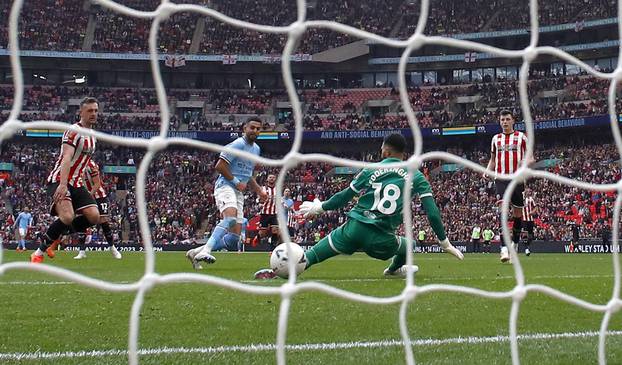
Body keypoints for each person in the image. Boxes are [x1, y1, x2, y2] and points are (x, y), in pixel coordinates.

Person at [257, 133, 463, 279]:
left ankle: (281, 271)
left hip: (352, 229)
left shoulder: (370, 169)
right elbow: (432, 212)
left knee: (310, 257)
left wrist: (320, 208)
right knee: (410, 245)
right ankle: (393, 270)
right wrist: (444, 243)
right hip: (381, 240)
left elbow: (345, 196)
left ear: (386, 149)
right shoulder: (416, 175)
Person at [186, 117, 267, 268]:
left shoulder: (256, 149)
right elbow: (219, 166)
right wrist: (236, 182)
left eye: (258, 129)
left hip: (237, 192)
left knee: (233, 239)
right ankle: (207, 250)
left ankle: (195, 252)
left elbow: (248, 174)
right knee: (230, 218)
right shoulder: (237, 144)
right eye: (252, 128)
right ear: (244, 128)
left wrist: (259, 191)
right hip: (225, 186)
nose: (255, 131)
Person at [31, 97, 101, 264]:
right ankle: (38, 252)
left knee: (94, 216)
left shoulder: (92, 135)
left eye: (96, 111)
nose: (93, 114)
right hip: (60, 179)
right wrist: (62, 185)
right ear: (81, 112)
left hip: (77, 182)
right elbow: (67, 158)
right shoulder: (73, 131)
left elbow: (82, 162)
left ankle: (56, 235)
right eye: (90, 110)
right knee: (68, 217)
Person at [484, 110, 528, 263]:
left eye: (507, 119)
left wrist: (524, 164)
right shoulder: (496, 139)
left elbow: (531, 157)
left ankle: (515, 245)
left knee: (517, 214)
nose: (505, 122)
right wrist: (487, 170)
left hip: (517, 180)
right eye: (502, 119)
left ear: (513, 121)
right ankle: (503, 249)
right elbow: (493, 159)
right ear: (499, 121)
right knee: (503, 210)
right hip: (501, 179)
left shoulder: (521, 137)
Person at [73, 159, 122, 260]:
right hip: (84, 196)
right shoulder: (75, 165)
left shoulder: (91, 164)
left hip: (98, 196)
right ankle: (82, 251)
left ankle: (113, 248)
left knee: (103, 221)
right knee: (81, 222)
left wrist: (88, 196)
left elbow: (97, 184)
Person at [258, 174, 279, 250]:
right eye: (270, 177)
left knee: (275, 230)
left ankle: (272, 248)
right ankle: (256, 238)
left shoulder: (278, 189)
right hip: (265, 213)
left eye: (273, 177)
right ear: (267, 179)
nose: (272, 179)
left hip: (274, 213)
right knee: (262, 234)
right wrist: (260, 203)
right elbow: (259, 199)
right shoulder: (263, 188)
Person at [522, 190, 536, 256]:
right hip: (524, 219)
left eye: (530, 192)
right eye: (527, 192)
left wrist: (533, 211)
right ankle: (526, 249)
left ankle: (527, 246)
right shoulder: (522, 199)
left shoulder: (531, 199)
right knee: (525, 234)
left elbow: (536, 207)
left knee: (531, 236)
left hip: (530, 219)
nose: (529, 193)